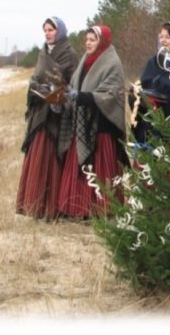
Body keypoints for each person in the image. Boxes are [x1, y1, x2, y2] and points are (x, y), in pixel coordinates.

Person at [57, 25, 128, 218]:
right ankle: (77, 208)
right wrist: (64, 94)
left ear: (102, 41)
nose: (88, 43)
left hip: (102, 125)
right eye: (86, 39)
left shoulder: (112, 63)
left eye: (92, 39)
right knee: (80, 166)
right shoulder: (84, 62)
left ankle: (103, 209)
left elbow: (110, 95)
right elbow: (74, 86)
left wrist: (82, 96)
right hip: (82, 124)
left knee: (100, 167)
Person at [16, 17, 78, 219]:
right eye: (45, 30)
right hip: (40, 112)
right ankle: (32, 205)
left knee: (52, 156)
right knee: (36, 154)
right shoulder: (43, 53)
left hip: (56, 115)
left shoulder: (69, 54)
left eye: (51, 29)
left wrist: (58, 90)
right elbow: (37, 77)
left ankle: (50, 208)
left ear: (59, 31)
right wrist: (35, 86)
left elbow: (73, 83)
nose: (48, 33)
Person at [132, 21, 170, 143]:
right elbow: (145, 81)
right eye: (161, 37)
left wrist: (162, 87)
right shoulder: (154, 60)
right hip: (151, 111)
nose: (163, 40)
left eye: (168, 37)